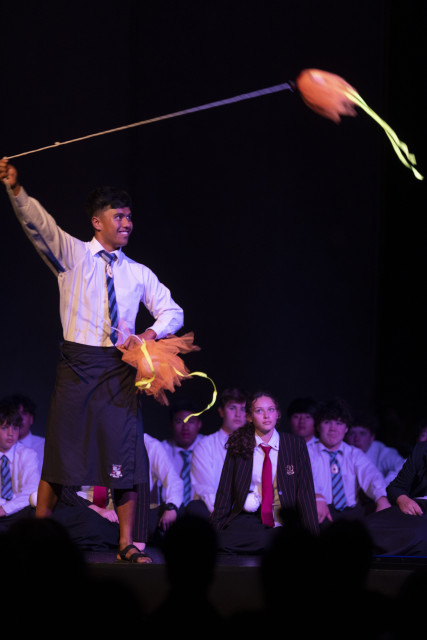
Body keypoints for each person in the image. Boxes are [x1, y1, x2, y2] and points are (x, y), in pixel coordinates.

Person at [0, 158, 184, 563]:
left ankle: (126, 543)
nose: (127, 223)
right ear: (97, 222)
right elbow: (39, 225)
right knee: (59, 455)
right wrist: (16, 190)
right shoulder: (73, 256)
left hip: (118, 371)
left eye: (129, 217)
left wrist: (149, 335)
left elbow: (173, 311)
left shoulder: (137, 272)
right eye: (118, 216)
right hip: (77, 366)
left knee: (124, 456)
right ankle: (38, 537)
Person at [210, 391, 319, 554]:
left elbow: (306, 493)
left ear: (278, 414)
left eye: (271, 410)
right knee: (222, 540)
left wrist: (314, 540)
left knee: (292, 538)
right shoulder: (238, 445)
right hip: (249, 521)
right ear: (249, 417)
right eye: (259, 411)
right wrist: (212, 535)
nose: (266, 416)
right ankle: (274, 542)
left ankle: (275, 541)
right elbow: (225, 494)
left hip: (283, 519)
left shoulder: (295, 445)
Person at [308, 398, 390, 527]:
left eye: (339, 423)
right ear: (318, 426)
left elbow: (371, 475)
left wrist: (381, 498)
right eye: (327, 422)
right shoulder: (307, 452)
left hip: (351, 512)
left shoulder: (354, 454)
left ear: (346, 428)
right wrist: (316, 496)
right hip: (319, 510)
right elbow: (304, 479)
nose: (333, 429)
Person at [190, 387, 249, 517]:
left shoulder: (255, 445)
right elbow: (206, 489)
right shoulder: (205, 446)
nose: (238, 414)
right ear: (221, 412)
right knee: (195, 507)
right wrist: (226, 515)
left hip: (248, 512)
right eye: (232, 408)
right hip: (215, 513)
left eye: (243, 409)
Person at [365, 441, 427, 556]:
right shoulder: (422, 449)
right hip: (414, 507)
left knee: (418, 534)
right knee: (365, 527)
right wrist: (402, 498)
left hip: (421, 523)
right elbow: (396, 487)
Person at [0, 401, 40, 532]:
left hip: (17, 511)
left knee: (35, 511)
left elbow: (31, 490)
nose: (11, 433)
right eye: (5, 428)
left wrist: (5, 509)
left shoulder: (28, 455)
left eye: (15, 428)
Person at [162, 401, 204, 507]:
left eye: (191, 421)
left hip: (204, 512)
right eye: (179, 421)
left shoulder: (209, 447)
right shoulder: (162, 450)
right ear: (171, 425)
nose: (185, 427)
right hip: (168, 511)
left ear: (199, 424)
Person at [346, 414, 404, 484]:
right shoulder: (341, 452)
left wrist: (383, 486)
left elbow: (402, 467)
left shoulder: (383, 452)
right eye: (352, 433)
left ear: (372, 437)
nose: (357, 439)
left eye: (362, 434)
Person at [1, 394, 45, 475]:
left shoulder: (44, 447)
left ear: (31, 419)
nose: (19, 418)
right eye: (15, 413)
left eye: (24, 413)